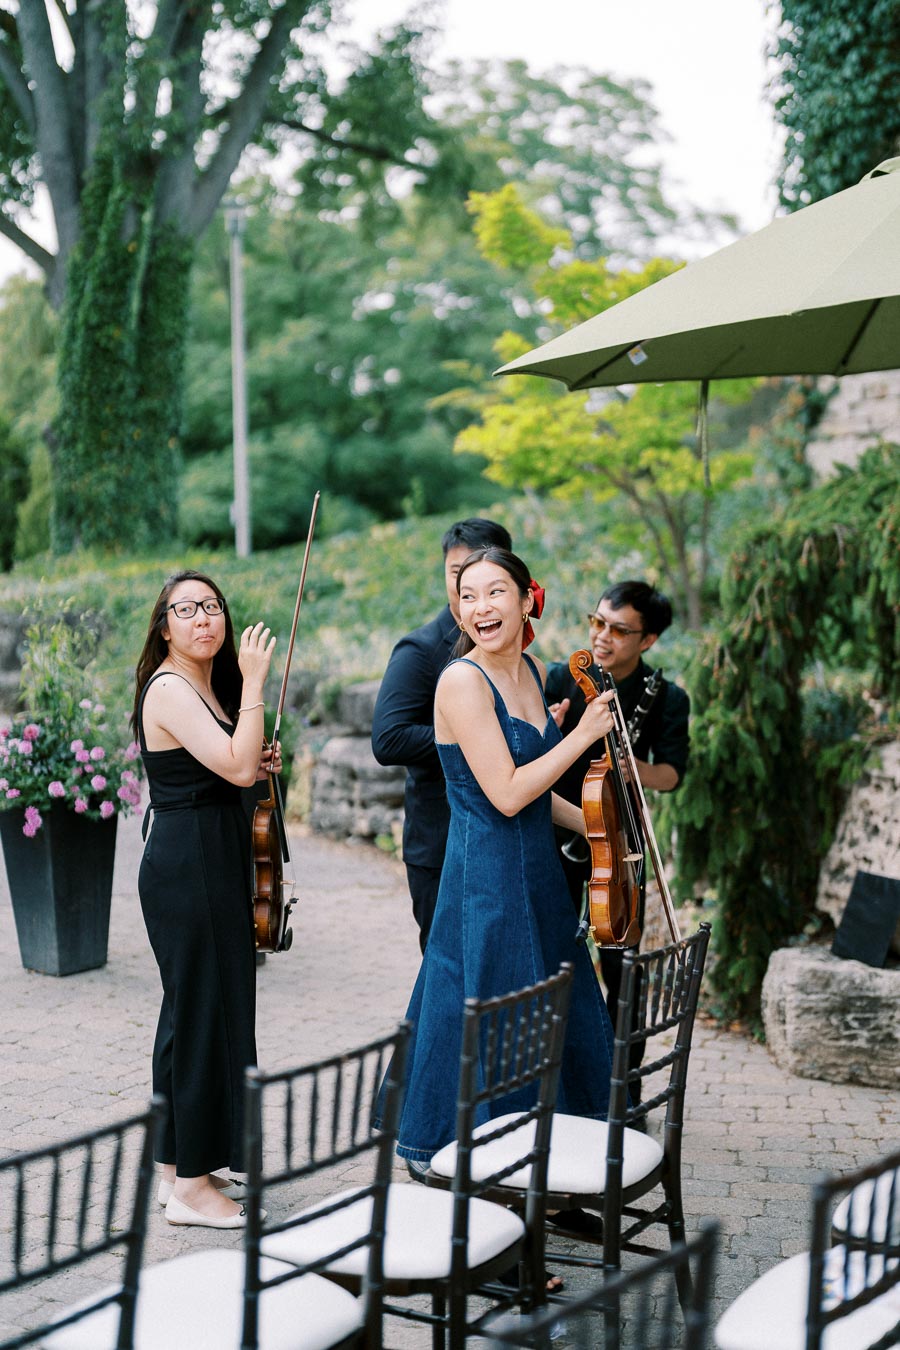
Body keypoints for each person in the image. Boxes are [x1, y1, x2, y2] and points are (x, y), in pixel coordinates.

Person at [393, 546, 618, 1170]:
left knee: (552, 1004)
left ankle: (558, 1166)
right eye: (467, 596)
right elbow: (509, 792)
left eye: (495, 592)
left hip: (542, 874)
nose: (479, 606)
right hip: (486, 876)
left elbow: (539, 796)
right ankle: (490, 1167)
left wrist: (600, 831)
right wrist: (580, 736)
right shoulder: (461, 681)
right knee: (499, 1013)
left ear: (527, 600)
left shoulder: (531, 668)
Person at [131, 569, 280, 1230]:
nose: (204, 620)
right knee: (203, 1016)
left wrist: (252, 750)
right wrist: (253, 683)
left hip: (204, 859)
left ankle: (177, 1164)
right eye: (186, 610)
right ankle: (192, 1189)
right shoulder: (170, 686)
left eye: (212, 607)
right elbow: (237, 768)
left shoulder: (198, 684)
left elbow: (235, 762)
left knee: (192, 1012)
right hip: (189, 867)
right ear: (164, 626)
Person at [544, 580, 690, 1057]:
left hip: (620, 837)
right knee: (553, 952)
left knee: (621, 964)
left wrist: (636, 767)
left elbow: (671, 775)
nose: (602, 637)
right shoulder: (561, 678)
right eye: (597, 622)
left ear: (647, 640)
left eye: (619, 630)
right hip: (559, 828)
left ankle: (622, 1082)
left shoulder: (666, 697)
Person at [371, 517, 512, 952]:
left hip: (500, 838)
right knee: (447, 967)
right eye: (458, 574)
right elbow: (388, 739)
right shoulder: (419, 649)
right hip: (441, 842)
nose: (472, 587)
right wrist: (470, 735)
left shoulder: (514, 651)